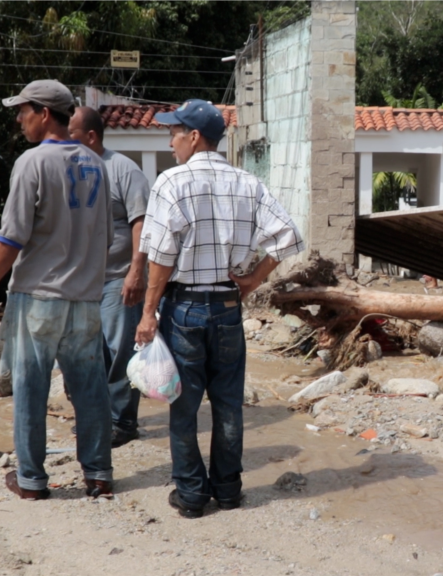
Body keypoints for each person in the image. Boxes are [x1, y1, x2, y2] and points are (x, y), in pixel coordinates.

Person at [134, 99, 304, 518]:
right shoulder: (249, 183)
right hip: (228, 308)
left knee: (184, 406)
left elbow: (161, 256)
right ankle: (228, 489)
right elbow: (289, 236)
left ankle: (191, 495)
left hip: (185, 308)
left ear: (193, 137)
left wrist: (148, 312)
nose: (171, 142)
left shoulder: (170, 183)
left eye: (174, 133)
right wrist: (254, 279)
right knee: (227, 404)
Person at [0, 80, 114, 500]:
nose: (19, 118)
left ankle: (31, 480)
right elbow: (106, 237)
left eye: (23, 110)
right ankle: (99, 474)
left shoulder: (32, 163)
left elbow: (11, 237)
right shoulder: (96, 164)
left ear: (44, 113)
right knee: (90, 390)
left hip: (38, 298)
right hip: (85, 300)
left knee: (31, 388)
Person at [68, 106, 149, 447]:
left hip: (118, 279)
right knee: (86, 351)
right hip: (81, 281)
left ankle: (123, 422)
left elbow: (141, 223)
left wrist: (136, 271)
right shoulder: (70, 170)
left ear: (91, 136)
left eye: (71, 134)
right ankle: (96, 415)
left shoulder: (123, 170)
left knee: (120, 352)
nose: (65, 140)